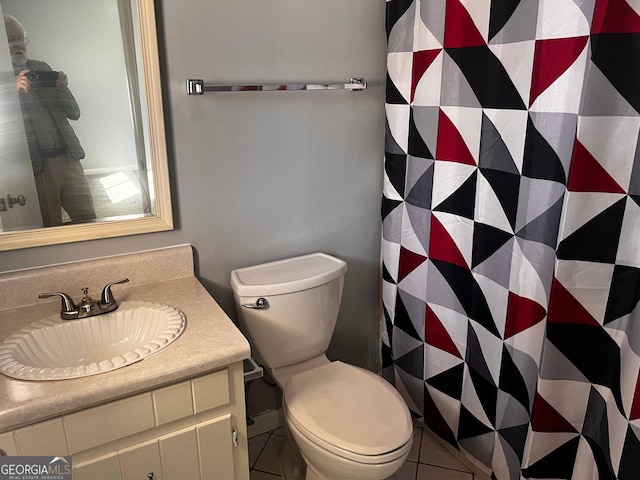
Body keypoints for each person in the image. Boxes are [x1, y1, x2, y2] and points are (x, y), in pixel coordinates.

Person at [4, 14, 96, 227]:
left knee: (89, 222)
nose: (19, 45)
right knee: (49, 229)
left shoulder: (43, 68)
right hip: (34, 167)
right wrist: (10, 89)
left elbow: (74, 112)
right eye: (11, 40)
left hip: (68, 159)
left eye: (22, 38)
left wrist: (63, 88)